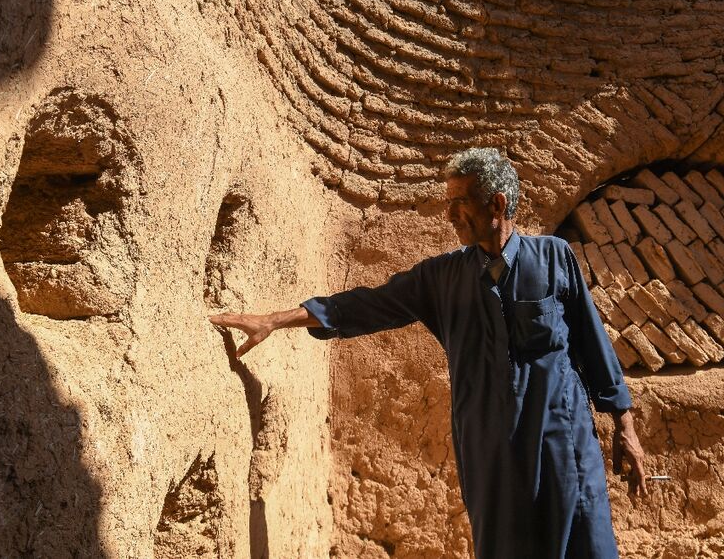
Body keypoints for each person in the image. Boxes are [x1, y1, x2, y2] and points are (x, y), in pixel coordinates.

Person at [210, 148, 646, 558]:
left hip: (563, 441)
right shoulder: (444, 278)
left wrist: (624, 426)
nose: (450, 213)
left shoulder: (553, 258)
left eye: (461, 201)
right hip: (492, 450)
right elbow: (369, 304)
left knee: (586, 545)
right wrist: (277, 319)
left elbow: (592, 343)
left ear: (496, 204)